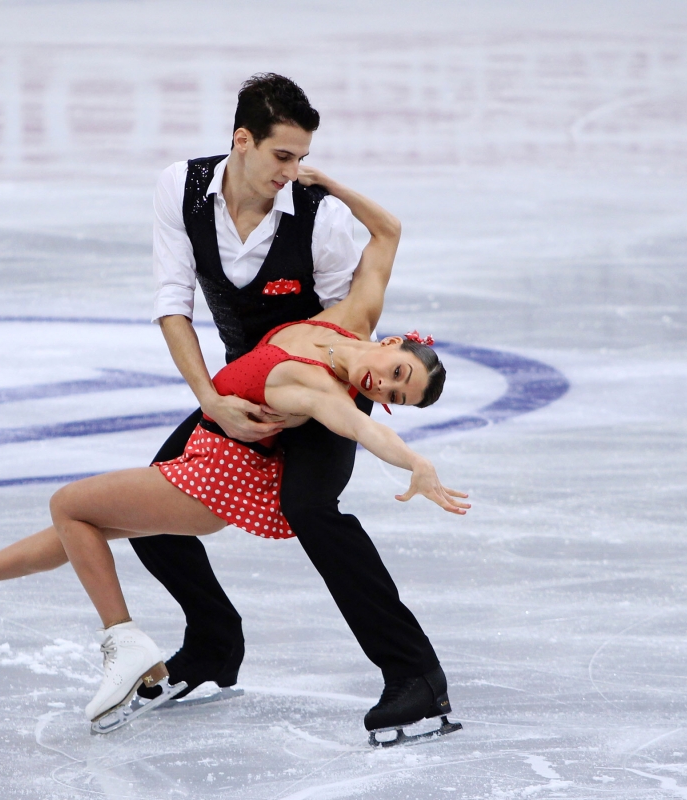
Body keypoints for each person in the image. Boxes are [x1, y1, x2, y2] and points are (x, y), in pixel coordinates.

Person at [0, 157, 469, 731]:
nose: (384, 386)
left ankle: (412, 673)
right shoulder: (353, 314)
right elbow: (389, 229)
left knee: (297, 510)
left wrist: (415, 461)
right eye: (397, 372)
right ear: (392, 342)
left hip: (225, 465)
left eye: (397, 395)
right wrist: (326, 179)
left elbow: (362, 425)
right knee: (111, 522)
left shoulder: (320, 387)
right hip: (220, 429)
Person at [131, 73, 459, 734]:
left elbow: (349, 336)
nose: (294, 170)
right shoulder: (182, 188)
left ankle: (415, 674)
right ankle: (214, 643)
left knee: (310, 505)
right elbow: (174, 304)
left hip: (324, 383)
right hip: (243, 386)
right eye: (284, 155)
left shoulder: (323, 220)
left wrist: (343, 411)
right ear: (242, 141)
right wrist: (211, 402)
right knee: (148, 506)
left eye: (303, 158)